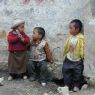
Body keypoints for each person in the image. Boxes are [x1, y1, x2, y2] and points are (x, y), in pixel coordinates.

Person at [62, 19, 84, 92]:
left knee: (77, 73)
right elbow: (66, 47)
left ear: (77, 29)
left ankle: (76, 85)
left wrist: (82, 56)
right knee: (66, 71)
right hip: (68, 58)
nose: (69, 30)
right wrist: (65, 54)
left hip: (77, 59)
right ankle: (67, 85)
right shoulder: (70, 38)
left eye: (71, 28)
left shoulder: (81, 38)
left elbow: (82, 47)